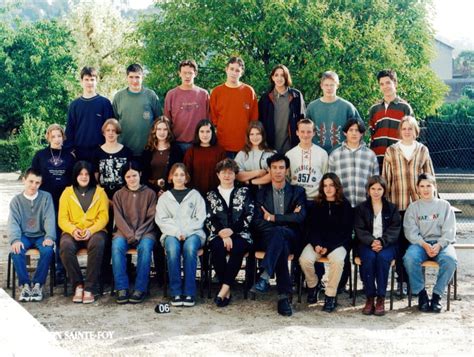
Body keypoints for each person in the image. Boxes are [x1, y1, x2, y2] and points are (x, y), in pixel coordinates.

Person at [382, 115, 435, 292]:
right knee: (400, 244)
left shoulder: (422, 150)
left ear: (415, 131)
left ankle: (416, 282)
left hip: (418, 206)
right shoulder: (391, 150)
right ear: (400, 131)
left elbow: (430, 178)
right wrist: (385, 205)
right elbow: (386, 179)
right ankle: (401, 281)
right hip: (397, 204)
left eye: (410, 129)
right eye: (404, 128)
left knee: (417, 243)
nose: (407, 132)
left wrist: (434, 201)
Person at [250, 153, 306, 316]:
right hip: (268, 238)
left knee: (280, 235)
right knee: (279, 241)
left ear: (287, 170)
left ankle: (265, 276)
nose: (278, 171)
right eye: (274, 168)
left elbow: (300, 217)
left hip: (293, 237)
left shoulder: (297, 192)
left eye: (281, 167)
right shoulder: (261, 193)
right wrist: (285, 222)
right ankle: (283, 298)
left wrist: (274, 218)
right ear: (269, 170)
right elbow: (257, 221)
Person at [329, 118, 379, 292]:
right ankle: (342, 282)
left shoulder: (370, 155)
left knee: (362, 244)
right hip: (342, 206)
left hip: (364, 207)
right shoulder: (335, 155)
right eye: (350, 130)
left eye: (357, 130)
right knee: (342, 244)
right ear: (345, 133)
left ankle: (365, 283)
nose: (354, 133)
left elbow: (376, 181)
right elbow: (331, 183)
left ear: (362, 133)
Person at [299, 173, 353, 312]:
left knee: (338, 260)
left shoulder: (345, 205)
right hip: (318, 244)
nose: (328, 189)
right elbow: (311, 228)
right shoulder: (316, 205)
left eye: (331, 185)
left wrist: (328, 247)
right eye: (325, 185)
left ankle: (330, 295)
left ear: (337, 187)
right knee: (305, 259)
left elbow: (345, 232)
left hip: (337, 244)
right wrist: (317, 244)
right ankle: (313, 285)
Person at [403, 173, 457, 313]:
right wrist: (424, 245)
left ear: (435, 187)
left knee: (450, 260)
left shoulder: (445, 206)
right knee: (410, 258)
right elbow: (410, 231)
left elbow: (449, 230)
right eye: (422, 186)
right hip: (421, 244)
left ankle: (437, 295)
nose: (425, 189)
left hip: (441, 244)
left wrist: (439, 245)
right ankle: (421, 294)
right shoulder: (413, 207)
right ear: (417, 189)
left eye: (429, 185)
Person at [155, 163, 207, 307]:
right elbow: (162, 219)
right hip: (171, 234)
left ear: (187, 177)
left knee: (190, 249)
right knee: (172, 249)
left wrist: (186, 232)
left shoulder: (195, 195)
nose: (179, 178)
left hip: (193, 233)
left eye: (182, 175)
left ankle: (189, 292)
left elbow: (200, 217)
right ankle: (176, 292)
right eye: (176, 175)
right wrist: (177, 232)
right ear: (171, 177)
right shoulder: (165, 197)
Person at [206, 159, 254, 307]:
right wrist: (222, 232)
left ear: (235, 175)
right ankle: (226, 288)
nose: (227, 175)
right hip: (218, 234)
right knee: (216, 248)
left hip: (241, 233)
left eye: (230, 172)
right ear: (218, 175)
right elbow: (209, 217)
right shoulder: (210, 195)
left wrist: (232, 231)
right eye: (223, 173)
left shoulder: (244, 192)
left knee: (238, 247)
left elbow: (249, 214)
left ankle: (224, 289)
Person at [59, 161, 109, 304]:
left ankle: (90, 287)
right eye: (80, 174)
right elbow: (62, 219)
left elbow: (103, 217)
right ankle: (78, 285)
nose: (84, 176)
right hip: (73, 231)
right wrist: (73, 230)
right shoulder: (67, 193)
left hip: (95, 231)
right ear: (75, 175)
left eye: (87, 174)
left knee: (98, 242)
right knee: (65, 245)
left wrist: (90, 230)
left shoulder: (100, 193)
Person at [32, 124, 75, 282]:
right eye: (53, 136)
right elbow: (34, 176)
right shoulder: (40, 155)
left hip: (64, 201)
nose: (57, 139)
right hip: (45, 200)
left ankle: (60, 270)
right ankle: (48, 268)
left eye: (59, 136)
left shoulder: (70, 156)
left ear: (63, 137)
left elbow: (73, 179)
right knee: (48, 235)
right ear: (48, 137)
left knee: (61, 235)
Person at [112, 161, 157, 304]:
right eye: (128, 176)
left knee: (145, 247)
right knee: (117, 246)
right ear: (124, 178)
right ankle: (121, 287)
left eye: (134, 175)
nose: (132, 179)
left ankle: (140, 288)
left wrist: (137, 234)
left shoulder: (150, 193)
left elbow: (151, 218)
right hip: (123, 232)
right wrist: (130, 235)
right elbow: (118, 219)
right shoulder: (118, 195)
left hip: (146, 232)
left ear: (140, 175)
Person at [354, 176, 400, 316]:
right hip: (367, 244)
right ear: (368, 190)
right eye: (373, 188)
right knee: (368, 258)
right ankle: (369, 297)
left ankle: (380, 298)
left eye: (379, 188)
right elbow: (359, 229)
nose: (376, 192)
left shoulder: (392, 208)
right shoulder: (361, 208)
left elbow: (395, 228)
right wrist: (371, 241)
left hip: (386, 244)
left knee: (381, 259)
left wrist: (382, 241)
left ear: (384, 190)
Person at [8, 168, 56, 302]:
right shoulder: (16, 201)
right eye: (30, 181)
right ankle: (25, 285)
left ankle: (37, 284)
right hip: (24, 235)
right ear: (24, 180)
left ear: (41, 184)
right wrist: (15, 240)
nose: (33, 185)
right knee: (16, 250)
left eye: (37, 183)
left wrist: (49, 237)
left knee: (48, 250)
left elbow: (49, 218)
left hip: (41, 235)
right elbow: (13, 223)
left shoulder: (46, 197)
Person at [210, 56, 258, 157]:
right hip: (222, 145)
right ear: (226, 69)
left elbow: (254, 120)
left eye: (237, 70)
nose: (234, 73)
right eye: (231, 69)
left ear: (241, 73)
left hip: (244, 146)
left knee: (243, 173)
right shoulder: (216, 92)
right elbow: (213, 119)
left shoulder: (249, 91)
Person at [64, 66, 114, 161]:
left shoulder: (104, 103)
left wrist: (108, 148)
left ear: (97, 81)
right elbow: (70, 130)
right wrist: (70, 151)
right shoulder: (74, 105)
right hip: (79, 153)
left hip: (101, 151)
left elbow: (111, 129)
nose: (89, 83)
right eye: (86, 79)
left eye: (92, 79)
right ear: (81, 81)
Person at [113, 63, 162, 158]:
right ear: (126, 77)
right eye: (131, 77)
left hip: (148, 149)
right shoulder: (119, 97)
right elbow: (114, 122)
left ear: (142, 77)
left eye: (137, 77)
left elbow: (159, 121)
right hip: (124, 149)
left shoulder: (150, 95)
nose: (134, 80)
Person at [369, 69, 414, 170]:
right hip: (378, 161)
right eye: (382, 84)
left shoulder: (405, 108)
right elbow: (372, 135)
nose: (385, 86)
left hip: (399, 161)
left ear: (395, 83)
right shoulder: (374, 109)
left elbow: (412, 136)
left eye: (388, 82)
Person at [306, 71, 361, 153]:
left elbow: (359, 130)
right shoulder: (312, 107)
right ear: (321, 86)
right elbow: (305, 131)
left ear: (337, 86)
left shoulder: (347, 107)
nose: (329, 88)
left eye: (332, 85)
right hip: (317, 153)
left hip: (342, 153)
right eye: (326, 85)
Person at [164, 59, 210, 156]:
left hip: (199, 144)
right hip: (177, 144)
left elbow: (209, 120)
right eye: (184, 73)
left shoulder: (203, 94)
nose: (187, 76)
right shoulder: (171, 94)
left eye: (190, 73)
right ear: (179, 73)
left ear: (195, 74)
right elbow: (167, 121)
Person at [258, 64, 305, 153]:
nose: (279, 78)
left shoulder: (296, 96)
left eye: (282, 75)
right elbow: (261, 123)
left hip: (292, 146)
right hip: (270, 147)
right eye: (276, 75)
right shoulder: (265, 98)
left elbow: (302, 120)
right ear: (272, 77)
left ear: (287, 77)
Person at [286, 119, 328, 201]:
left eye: (309, 132)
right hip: (296, 199)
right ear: (297, 132)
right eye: (302, 131)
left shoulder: (322, 154)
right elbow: (287, 178)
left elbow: (325, 176)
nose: (305, 135)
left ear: (314, 133)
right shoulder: (289, 155)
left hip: (316, 199)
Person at [183, 119, 226, 196]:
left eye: (208, 131)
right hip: (195, 194)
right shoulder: (191, 151)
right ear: (197, 133)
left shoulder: (220, 151)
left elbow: (223, 173)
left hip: (216, 194)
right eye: (202, 131)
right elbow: (186, 174)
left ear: (213, 133)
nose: (205, 135)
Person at [142, 117, 183, 196]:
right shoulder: (148, 151)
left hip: (172, 192)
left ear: (169, 131)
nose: (162, 132)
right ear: (154, 131)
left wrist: (168, 191)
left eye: (165, 129)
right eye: (159, 129)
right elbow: (144, 176)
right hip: (151, 193)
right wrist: (155, 191)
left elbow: (180, 173)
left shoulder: (176, 150)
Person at [94, 119, 133, 200]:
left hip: (124, 196)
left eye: (113, 130)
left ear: (118, 133)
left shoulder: (127, 152)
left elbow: (131, 174)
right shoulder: (97, 152)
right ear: (104, 133)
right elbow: (95, 176)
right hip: (103, 196)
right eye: (108, 130)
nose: (111, 133)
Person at [234, 121, 274, 193]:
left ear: (263, 135)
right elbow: (237, 175)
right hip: (246, 192)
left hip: (266, 192)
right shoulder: (242, 154)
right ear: (248, 136)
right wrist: (257, 172)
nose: (255, 137)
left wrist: (251, 181)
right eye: (252, 134)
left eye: (258, 134)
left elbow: (273, 175)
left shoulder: (271, 154)